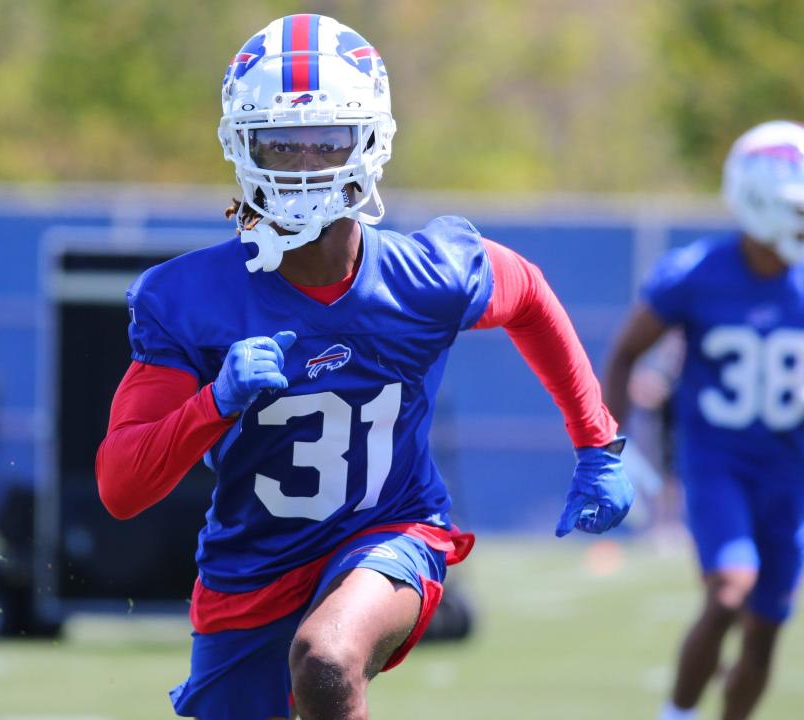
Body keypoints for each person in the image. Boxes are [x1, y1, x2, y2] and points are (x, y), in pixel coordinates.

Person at [96, 14, 633, 720]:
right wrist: (215, 401)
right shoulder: (188, 299)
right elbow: (121, 486)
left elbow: (526, 291)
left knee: (327, 658)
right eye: (280, 144)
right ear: (241, 146)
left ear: (370, 141)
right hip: (251, 567)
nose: (305, 163)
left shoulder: (423, 275)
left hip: (391, 532)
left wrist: (597, 441)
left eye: (326, 140)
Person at [604, 120, 804, 720]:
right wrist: (606, 444)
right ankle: (678, 713)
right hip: (719, 463)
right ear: (758, 203)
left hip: (790, 473)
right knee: (729, 590)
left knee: (767, 625)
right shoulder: (697, 273)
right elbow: (625, 354)